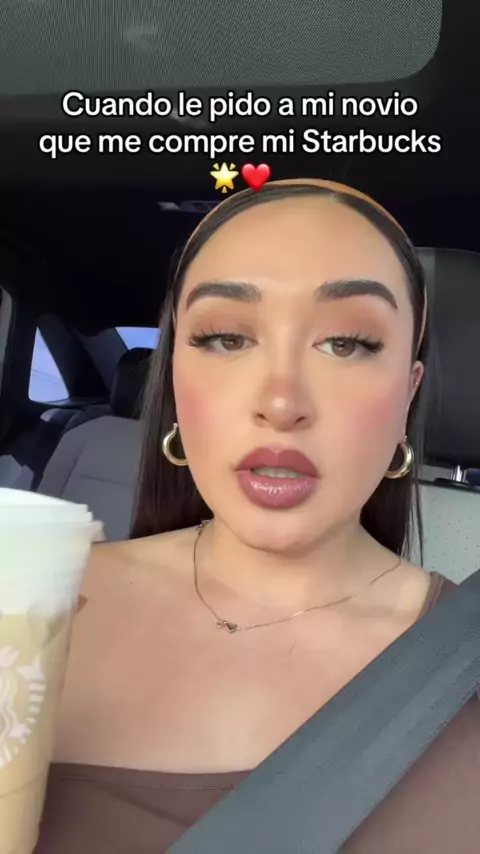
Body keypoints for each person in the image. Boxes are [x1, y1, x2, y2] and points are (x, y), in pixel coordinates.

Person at [35, 180, 480, 853]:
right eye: (224, 337)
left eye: (347, 343)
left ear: (407, 394)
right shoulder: (30, 601)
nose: (281, 402)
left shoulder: (461, 663)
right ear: (174, 375)